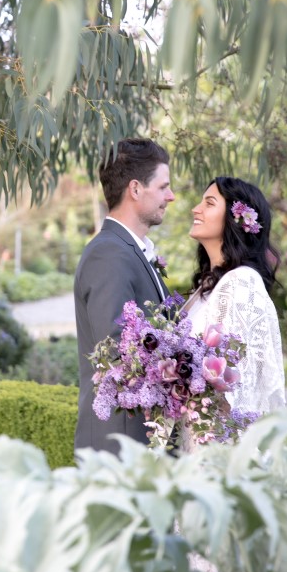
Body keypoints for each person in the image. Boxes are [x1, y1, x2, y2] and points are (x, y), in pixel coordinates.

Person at [74, 137, 174, 452]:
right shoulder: (109, 255)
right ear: (134, 189)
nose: (170, 196)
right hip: (120, 443)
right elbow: (118, 352)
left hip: (139, 441)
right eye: (163, 187)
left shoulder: (128, 251)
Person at [184, 176, 286, 420]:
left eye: (209, 203)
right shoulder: (209, 284)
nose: (195, 209)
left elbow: (241, 382)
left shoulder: (242, 283)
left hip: (218, 440)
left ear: (235, 219)